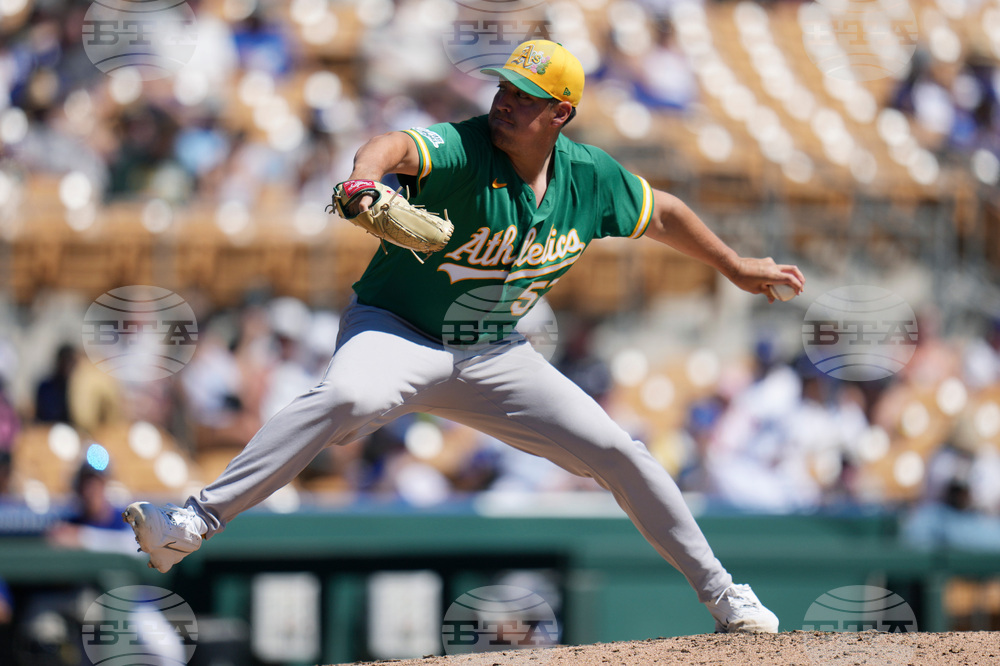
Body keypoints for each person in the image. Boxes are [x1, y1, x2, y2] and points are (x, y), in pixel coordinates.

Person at [124, 40, 803, 633]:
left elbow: (664, 213)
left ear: (560, 114)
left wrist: (735, 265)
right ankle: (190, 523)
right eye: (504, 87)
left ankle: (724, 596)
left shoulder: (590, 178)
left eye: (526, 96)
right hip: (397, 330)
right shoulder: (466, 146)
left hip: (494, 351)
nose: (505, 102)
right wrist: (365, 179)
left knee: (620, 452)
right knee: (346, 398)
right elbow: (394, 145)